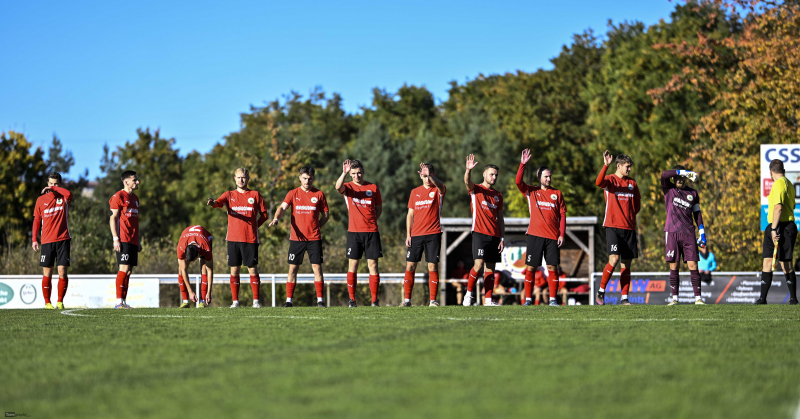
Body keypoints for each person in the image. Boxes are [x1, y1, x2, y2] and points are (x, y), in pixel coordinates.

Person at [207, 168, 268, 308]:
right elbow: (218, 203)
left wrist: (254, 227)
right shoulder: (229, 194)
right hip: (233, 239)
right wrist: (212, 203)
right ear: (234, 178)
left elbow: (264, 214)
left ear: (248, 179)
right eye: (239, 177)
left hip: (250, 239)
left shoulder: (255, 194)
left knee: (252, 269)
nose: (241, 180)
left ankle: (256, 301)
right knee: (234, 270)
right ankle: (235, 301)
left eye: (244, 177)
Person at [269, 165, 329, 308]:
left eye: (310, 179)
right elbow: (282, 207)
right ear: (300, 178)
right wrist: (276, 218)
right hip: (297, 239)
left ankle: (320, 301)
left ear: (313, 179)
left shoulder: (319, 194)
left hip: (314, 238)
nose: (307, 181)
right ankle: (289, 301)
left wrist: (316, 227)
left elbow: (326, 215)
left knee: (317, 268)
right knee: (293, 269)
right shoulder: (293, 193)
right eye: (305, 178)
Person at [515, 148, 567, 307]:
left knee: (552, 267)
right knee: (531, 267)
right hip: (535, 235)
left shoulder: (557, 193)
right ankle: (528, 300)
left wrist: (562, 234)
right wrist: (522, 164)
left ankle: (553, 300)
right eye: (546, 176)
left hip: (552, 237)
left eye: (550, 176)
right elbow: (518, 182)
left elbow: (563, 214)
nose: (549, 179)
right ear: (539, 178)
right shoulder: (531, 191)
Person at [594, 151, 641, 306]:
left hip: (629, 228)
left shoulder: (633, 183)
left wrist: (629, 217)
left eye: (630, 166)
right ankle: (601, 291)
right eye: (627, 167)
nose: (629, 169)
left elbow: (637, 206)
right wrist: (605, 165)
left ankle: (624, 298)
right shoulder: (610, 180)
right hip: (613, 226)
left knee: (626, 264)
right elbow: (598, 182)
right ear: (619, 166)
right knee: (613, 259)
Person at [335, 159, 383, 307]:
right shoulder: (348, 187)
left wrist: (370, 221)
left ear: (363, 172)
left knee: (373, 266)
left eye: (359, 173)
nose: (357, 176)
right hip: (354, 232)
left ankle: (374, 300)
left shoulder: (373, 187)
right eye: (354, 173)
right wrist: (343, 173)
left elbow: (379, 209)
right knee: (353, 265)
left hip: (371, 232)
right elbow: (337, 187)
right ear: (350, 174)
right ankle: (352, 300)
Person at [462, 154, 505, 307]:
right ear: (484, 174)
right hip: (479, 233)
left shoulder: (498, 195)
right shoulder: (476, 189)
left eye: (496, 175)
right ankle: (468, 294)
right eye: (491, 174)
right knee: (478, 265)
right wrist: (468, 170)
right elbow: (467, 182)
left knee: (491, 268)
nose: (494, 177)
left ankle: (488, 300)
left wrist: (502, 238)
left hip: (495, 235)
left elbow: (501, 219)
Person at [402, 163, 446, 307]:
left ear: (433, 175)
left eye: (429, 175)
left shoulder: (438, 189)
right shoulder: (414, 192)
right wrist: (408, 235)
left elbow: (441, 186)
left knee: (432, 267)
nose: (427, 178)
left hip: (433, 234)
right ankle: (407, 300)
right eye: (424, 175)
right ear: (420, 175)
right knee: (410, 266)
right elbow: (410, 215)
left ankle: (432, 301)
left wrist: (431, 176)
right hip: (416, 235)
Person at [661, 165, 706, 305]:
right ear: (674, 178)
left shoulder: (693, 193)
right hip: (672, 232)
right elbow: (664, 174)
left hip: (689, 234)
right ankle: (675, 299)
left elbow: (697, 214)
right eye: (677, 177)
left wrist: (702, 233)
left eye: (682, 177)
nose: (679, 180)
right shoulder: (669, 189)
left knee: (693, 265)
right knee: (674, 266)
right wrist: (684, 172)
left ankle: (698, 298)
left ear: (686, 179)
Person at [756, 159, 798, 304]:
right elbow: (792, 205)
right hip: (774, 226)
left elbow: (778, 207)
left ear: (771, 172)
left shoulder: (779, 184)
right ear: (783, 170)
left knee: (786, 264)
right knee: (767, 261)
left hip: (782, 227)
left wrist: (774, 229)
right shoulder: (790, 184)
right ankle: (762, 299)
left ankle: (793, 299)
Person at [32, 172, 73, 309]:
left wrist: (55, 189)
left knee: (62, 272)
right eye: (50, 184)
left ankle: (60, 302)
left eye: (55, 184)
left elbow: (69, 194)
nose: (52, 186)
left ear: (59, 184)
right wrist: (34, 239)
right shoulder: (40, 200)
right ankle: (47, 302)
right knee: (47, 272)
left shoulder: (64, 197)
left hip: (63, 239)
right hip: (47, 241)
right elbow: (37, 220)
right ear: (47, 183)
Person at [109, 170, 141, 309]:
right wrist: (115, 238)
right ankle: (118, 302)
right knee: (124, 268)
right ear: (126, 182)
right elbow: (113, 218)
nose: (137, 182)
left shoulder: (136, 199)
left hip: (133, 239)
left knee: (129, 271)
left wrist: (138, 241)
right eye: (134, 180)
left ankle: (123, 301)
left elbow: (135, 222)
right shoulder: (118, 196)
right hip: (123, 238)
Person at [176, 225, 214, 308]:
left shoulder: (205, 247)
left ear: (198, 255)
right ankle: (185, 301)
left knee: (204, 268)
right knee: (181, 269)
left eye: (194, 260)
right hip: (186, 236)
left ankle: (203, 301)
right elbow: (184, 270)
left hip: (205, 237)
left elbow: (210, 270)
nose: (192, 262)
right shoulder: (181, 247)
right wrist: (190, 292)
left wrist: (209, 292)